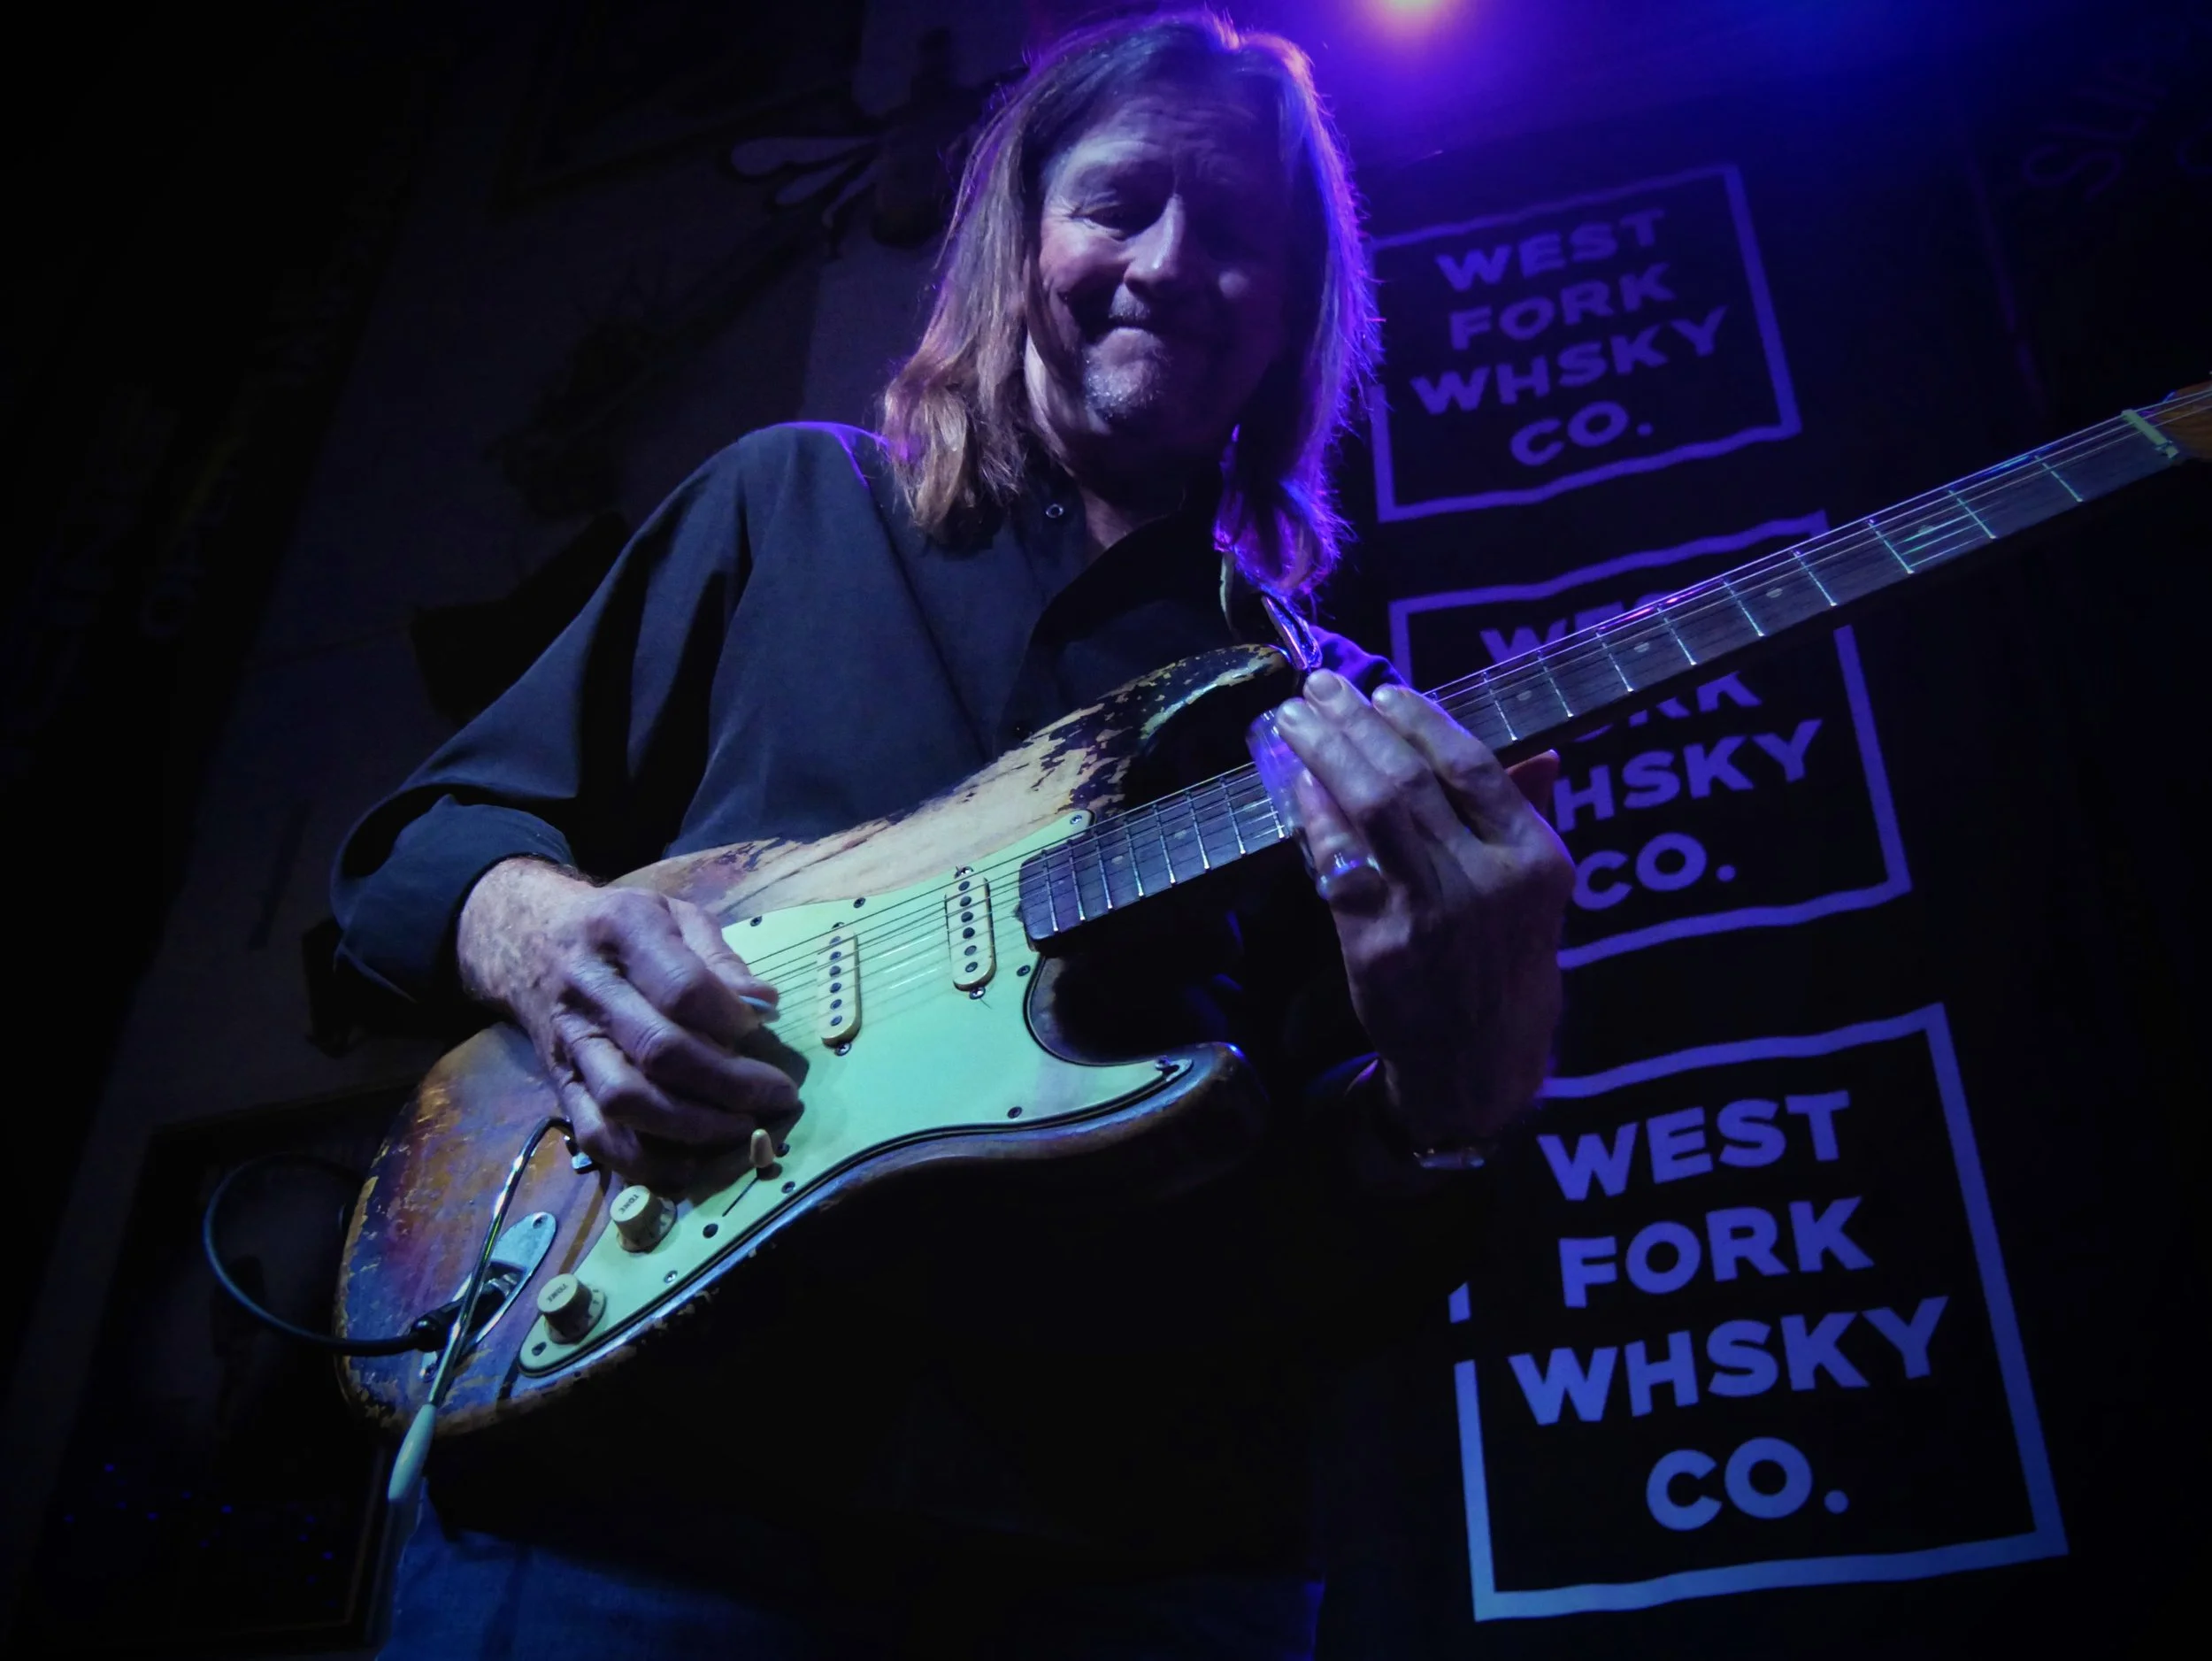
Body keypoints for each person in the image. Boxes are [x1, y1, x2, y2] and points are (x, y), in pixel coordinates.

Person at [333, 12, 1571, 1657]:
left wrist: (1454, 1098)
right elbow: (423, 846)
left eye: (1243, 237)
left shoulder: (1325, 727)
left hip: (1122, 1565)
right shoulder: (788, 506)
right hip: (634, 1503)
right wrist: (550, 941)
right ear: (1020, 234)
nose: (1172, 265)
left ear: (1292, 310)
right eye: (1119, 204)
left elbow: (1339, 1249)